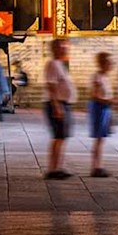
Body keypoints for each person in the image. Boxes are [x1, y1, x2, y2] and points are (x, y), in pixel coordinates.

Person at [43, 35, 76, 179]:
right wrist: (56, 106)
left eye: (66, 46)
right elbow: (51, 86)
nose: (65, 49)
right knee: (58, 137)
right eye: (62, 47)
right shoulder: (53, 64)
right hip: (58, 104)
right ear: (55, 49)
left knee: (62, 137)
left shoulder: (59, 64)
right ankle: (53, 169)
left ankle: (58, 167)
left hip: (64, 104)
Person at [88, 50, 117, 177]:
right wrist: (108, 100)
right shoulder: (98, 77)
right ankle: (96, 167)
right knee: (99, 139)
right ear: (103, 63)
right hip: (99, 108)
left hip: (105, 108)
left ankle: (98, 165)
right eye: (109, 62)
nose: (111, 65)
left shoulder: (105, 77)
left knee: (102, 139)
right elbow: (94, 95)